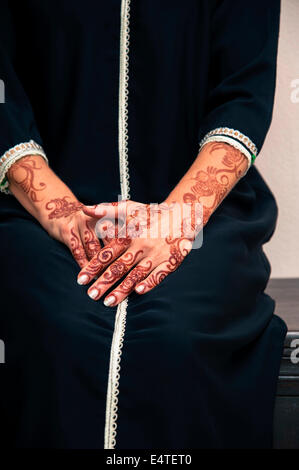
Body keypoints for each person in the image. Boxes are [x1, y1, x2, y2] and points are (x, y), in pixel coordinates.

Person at [0, 0, 287, 449]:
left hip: (203, 208)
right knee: (62, 333)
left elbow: (243, 93)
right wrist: (64, 212)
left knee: (177, 337)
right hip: (38, 209)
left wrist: (177, 218)